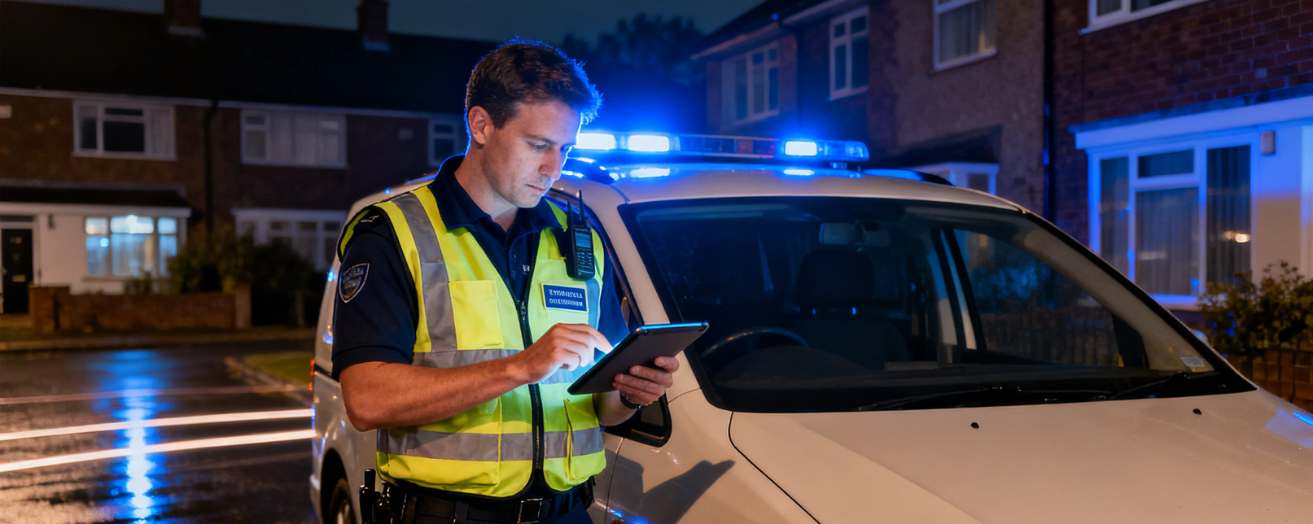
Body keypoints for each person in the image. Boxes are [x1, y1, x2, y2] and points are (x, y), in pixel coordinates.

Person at [331, 40, 679, 523]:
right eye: (538, 145)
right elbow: (366, 399)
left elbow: (602, 410)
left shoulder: (578, 238)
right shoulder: (392, 233)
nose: (554, 167)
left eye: (565, 149)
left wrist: (630, 392)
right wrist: (520, 367)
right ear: (481, 125)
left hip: (567, 513)